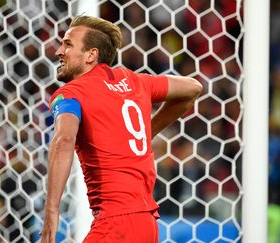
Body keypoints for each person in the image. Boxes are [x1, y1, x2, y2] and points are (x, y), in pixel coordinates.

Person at [41, 15, 202, 243]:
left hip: (115, 224)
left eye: (68, 44)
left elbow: (64, 140)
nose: (59, 51)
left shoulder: (70, 94)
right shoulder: (135, 81)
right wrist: (147, 132)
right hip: (147, 224)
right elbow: (193, 88)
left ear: (91, 55)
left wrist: (51, 210)